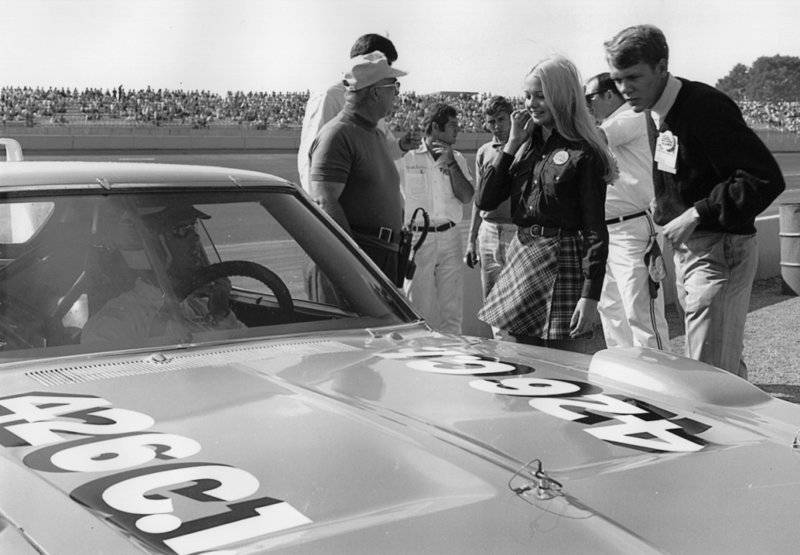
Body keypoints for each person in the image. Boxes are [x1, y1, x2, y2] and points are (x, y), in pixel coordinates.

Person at [604, 25, 785, 377]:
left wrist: (696, 214)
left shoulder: (704, 107)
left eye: (633, 77)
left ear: (661, 66)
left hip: (720, 249)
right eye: (618, 80)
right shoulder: (653, 107)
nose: (625, 89)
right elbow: (673, 168)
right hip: (690, 251)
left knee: (707, 375)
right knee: (721, 367)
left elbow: (764, 178)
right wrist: (665, 204)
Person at [476, 55, 614, 352]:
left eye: (541, 96)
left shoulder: (584, 151)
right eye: (527, 95)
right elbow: (485, 199)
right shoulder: (524, 145)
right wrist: (511, 146)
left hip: (563, 262)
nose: (531, 103)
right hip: (522, 259)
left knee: (564, 370)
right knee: (517, 363)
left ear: (561, 97)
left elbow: (595, 229)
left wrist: (590, 296)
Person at [584, 72, 670, 350]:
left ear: (609, 95)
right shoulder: (614, 121)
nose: (588, 105)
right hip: (608, 229)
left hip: (633, 228)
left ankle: (658, 384)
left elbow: (595, 138)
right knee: (612, 312)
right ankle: (625, 380)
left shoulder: (632, 116)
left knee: (641, 312)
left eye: (590, 98)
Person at [308, 51, 407, 286]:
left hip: (377, 257)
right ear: (375, 92)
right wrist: (357, 265)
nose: (397, 93)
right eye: (394, 86)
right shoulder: (338, 134)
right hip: (354, 263)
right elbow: (324, 201)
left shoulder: (373, 133)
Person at [81, 205, 245, 347]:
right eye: (181, 230)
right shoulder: (115, 324)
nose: (195, 237)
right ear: (149, 247)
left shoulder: (202, 305)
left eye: (193, 227)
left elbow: (251, 354)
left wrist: (221, 315)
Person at [297, 33, 419, 192]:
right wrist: (321, 210)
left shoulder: (371, 97)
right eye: (385, 64)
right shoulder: (330, 96)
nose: (387, 72)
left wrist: (402, 145)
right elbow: (314, 158)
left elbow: (380, 151)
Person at [396, 103, 474, 334]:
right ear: (435, 127)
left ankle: (453, 361)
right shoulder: (407, 158)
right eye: (452, 126)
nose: (457, 131)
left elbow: (467, 196)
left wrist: (449, 163)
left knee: (452, 312)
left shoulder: (457, 158)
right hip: (419, 239)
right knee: (418, 309)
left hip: (450, 237)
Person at [464, 96, 517, 326]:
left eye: (501, 120)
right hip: (488, 231)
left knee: (516, 300)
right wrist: (471, 240)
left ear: (511, 118)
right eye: (492, 121)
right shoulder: (484, 151)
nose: (497, 126)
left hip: (515, 231)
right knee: (491, 302)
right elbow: (479, 198)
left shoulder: (523, 147)